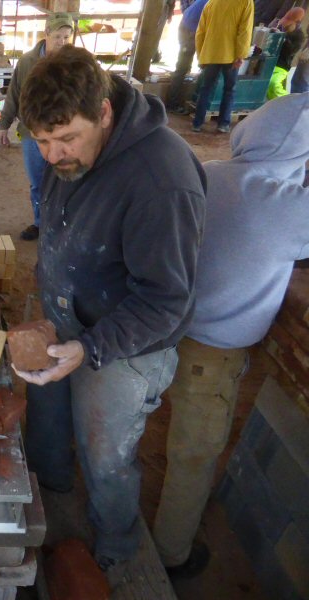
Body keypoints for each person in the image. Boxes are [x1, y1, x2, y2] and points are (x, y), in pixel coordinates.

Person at [14, 46, 205, 580]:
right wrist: (50, 303)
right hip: (64, 321)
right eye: (42, 142)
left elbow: (168, 300)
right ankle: (50, 502)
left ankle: (116, 549)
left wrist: (90, 348)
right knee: (48, 427)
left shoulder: (161, 181)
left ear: (104, 111)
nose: (52, 156)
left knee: (106, 454)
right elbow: (60, 227)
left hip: (123, 345)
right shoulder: (66, 152)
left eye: (66, 139)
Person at [153, 92, 309, 579]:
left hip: (164, 331)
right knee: (193, 455)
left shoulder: (210, 171)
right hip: (212, 354)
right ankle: (171, 554)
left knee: (152, 427)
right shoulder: (285, 203)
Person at [0, 13, 73, 241]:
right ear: (47, 33)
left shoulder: (72, 64)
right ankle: (40, 224)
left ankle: (61, 227)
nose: (62, 41)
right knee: (37, 181)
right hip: (32, 132)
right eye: (58, 36)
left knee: (64, 180)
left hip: (62, 133)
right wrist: (4, 126)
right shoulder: (27, 62)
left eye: (66, 37)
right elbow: (14, 94)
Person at [192, 0, 253, 133]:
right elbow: (245, 31)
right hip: (230, 55)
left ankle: (197, 123)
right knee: (229, 90)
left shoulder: (211, 3)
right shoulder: (245, 2)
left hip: (210, 54)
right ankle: (223, 124)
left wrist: (201, 55)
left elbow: (200, 31)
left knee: (206, 88)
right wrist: (241, 55)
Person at [166, 0, 211, 112]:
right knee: (182, 67)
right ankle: (172, 104)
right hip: (191, 30)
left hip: (189, 26)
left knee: (185, 66)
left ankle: (176, 102)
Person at [267, 8, 306, 99]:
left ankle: (288, 102)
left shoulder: (299, 35)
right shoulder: (279, 25)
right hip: (269, 61)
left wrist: (285, 37)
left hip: (281, 65)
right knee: (264, 84)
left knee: (274, 83)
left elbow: (291, 51)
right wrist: (272, 32)